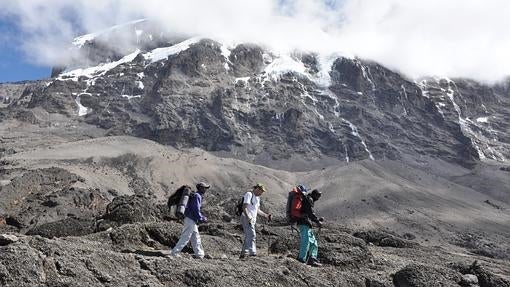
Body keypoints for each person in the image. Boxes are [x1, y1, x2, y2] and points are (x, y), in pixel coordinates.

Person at [170, 182, 210, 259]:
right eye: (205, 188)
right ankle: (174, 252)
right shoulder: (197, 196)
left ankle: (200, 254)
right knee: (186, 236)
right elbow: (196, 210)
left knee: (195, 236)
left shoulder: (196, 195)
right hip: (190, 219)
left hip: (191, 219)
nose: (205, 189)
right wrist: (202, 218)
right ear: (200, 188)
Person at [240, 183, 272, 259]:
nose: (261, 193)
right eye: (261, 191)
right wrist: (248, 217)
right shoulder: (249, 194)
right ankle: (252, 253)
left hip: (252, 219)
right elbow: (244, 207)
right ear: (257, 189)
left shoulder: (257, 198)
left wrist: (266, 216)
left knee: (248, 235)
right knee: (252, 235)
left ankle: (243, 254)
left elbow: (257, 210)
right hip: (246, 217)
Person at [297, 188, 324, 267]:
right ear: (315, 195)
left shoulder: (309, 199)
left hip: (306, 224)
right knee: (306, 241)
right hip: (303, 223)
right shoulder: (309, 199)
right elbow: (310, 212)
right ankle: (301, 259)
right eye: (318, 196)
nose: (318, 198)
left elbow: (310, 213)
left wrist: (315, 220)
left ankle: (312, 259)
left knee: (313, 242)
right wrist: (317, 221)